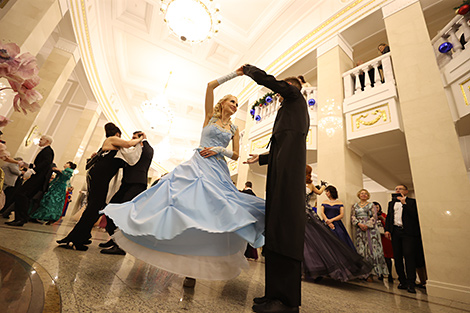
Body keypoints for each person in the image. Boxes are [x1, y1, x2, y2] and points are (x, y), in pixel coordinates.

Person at [103, 70, 265, 283]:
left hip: (218, 168)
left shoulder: (234, 128)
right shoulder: (210, 118)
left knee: (210, 211)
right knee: (186, 205)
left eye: (237, 104)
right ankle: (164, 242)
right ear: (223, 103)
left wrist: (218, 149)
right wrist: (235, 74)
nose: (235, 105)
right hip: (198, 164)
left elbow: (235, 154)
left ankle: (194, 268)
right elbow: (209, 86)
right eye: (232, 102)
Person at [243, 64, 308, 313]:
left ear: (290, 89)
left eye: (281, 93)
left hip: (289, 176)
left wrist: (250, 71)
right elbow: (281, 148)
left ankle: (286, 301)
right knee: (275, 229)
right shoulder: (288, 111)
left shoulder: (295, 98)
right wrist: (259, 158)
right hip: (280, 171)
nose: (279, 97)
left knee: (285, 231)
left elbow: (274, 84)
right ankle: (272, 294)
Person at [56, 123, 142, 250]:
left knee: (97, 207)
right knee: (95, 207)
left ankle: (83, 236)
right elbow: (129, 144)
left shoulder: (111, 146)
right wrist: (141, 138)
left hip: (99, 177)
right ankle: (75, 239)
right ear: (117, 133)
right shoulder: (112, 139)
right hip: (99, 177)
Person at [100, 131, 154, 255]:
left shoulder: (147, 149)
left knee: (122, 214)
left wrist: (143, 141)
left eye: (135, 137)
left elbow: (146, 153)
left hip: (137, 185)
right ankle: (114, 238)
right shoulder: (131, 151)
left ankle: (120, 246)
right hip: (125, 184)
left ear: (142, 138)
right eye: (132, 137)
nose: (132, 139)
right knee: (110, 210)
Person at [6, 135, 55, 227]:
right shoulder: (45, 150)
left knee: (21, 194)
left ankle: (21, 219)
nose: (39, 141)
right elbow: (39, 164)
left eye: (41, 139)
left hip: (38, 178)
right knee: (23, 196)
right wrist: (27, 165)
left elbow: (46, 163)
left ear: (47, 141)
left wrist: (33, 170)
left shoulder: (48, 151)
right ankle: (21, 218)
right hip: (37, 177)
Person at [384, 184, 421, 294]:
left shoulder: (412, 202)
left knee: (409, 256)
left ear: (406, 191)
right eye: (396, 189)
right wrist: (387, 230)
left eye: (400, 189)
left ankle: (411, 283)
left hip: (408, 233)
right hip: (395, 232)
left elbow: (414, 216)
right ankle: (402, 281)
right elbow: (390, 217)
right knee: (397, 257)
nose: (397, 190)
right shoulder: (391, 203)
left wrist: (404, 204)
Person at [351, 189, 389, 281]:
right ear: (359, 195)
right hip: (360, 230)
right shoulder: (355, 206)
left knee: (371, 250)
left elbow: (374, 217)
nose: (363, 195)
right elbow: (353, 216)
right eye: (362, 193)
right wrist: (359, 224)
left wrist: (367, 225)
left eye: (365, 194)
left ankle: (372, 273)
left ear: (368, 196)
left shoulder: (371, 205)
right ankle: (363, 273)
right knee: (361, 250)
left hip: (371, 231)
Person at [320, 185, 355, 251]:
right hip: (326, 222)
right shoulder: (324, 202)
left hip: (336, 223)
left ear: (332, 192)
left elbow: (341, 215)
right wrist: (327, 221)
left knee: (340, 235)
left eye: (327, 191)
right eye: (326, 192)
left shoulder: (339, 202)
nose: (326, 193)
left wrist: (331, 220)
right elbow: (322, 213)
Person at [375, 201, 394, 282]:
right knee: (378, 257)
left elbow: (389, 224)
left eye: (377, 207)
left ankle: (390, 274)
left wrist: (382, 218)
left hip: (385, 238)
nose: (376, 209)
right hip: (376, 238)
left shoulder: (384, 215)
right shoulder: (370, 216)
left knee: (387, 257)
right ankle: (380, 274)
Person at [240, 181, 259, 260]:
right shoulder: (254, 195)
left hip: (242, 217)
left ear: (245, 185)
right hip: (250, 218)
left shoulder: (242, 193)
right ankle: (249, 253)